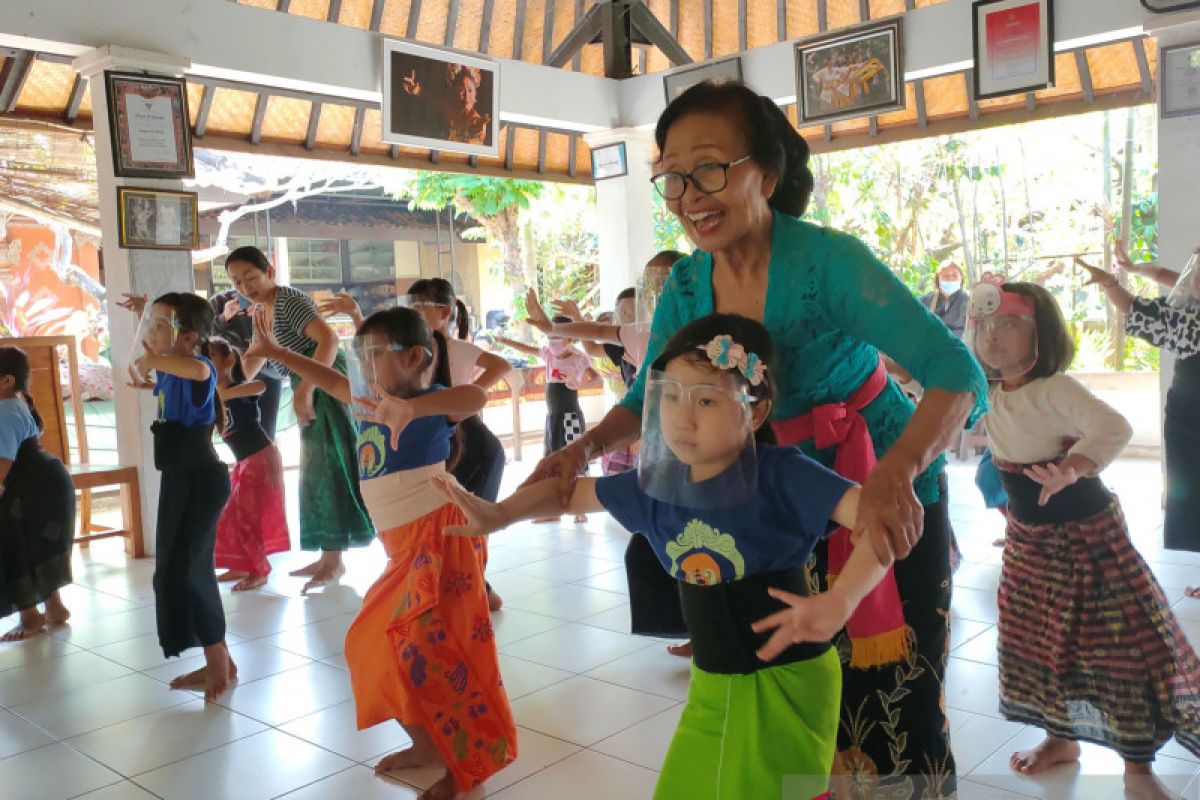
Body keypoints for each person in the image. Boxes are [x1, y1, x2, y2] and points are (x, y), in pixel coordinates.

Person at [525, 81, 987, 798]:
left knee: (892, 691)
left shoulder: (828, 263)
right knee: (789, 692)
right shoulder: (685, 283)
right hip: (765, 509)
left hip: (878, 488)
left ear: (765, 174)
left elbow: (954, 371)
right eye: (671, 177)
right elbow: (650, 392)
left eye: (709, 167)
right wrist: (578, 452)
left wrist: (899, 469)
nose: (687, 194)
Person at [437, 314, 893, 799]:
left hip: (784, 682)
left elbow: (879, 522)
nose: (683, 416)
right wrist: (499, 515)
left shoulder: (783, 476)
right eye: (671, 396)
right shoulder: (659, 487)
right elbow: (568, 495)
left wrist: (841, 600)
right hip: (714, 682)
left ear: (755, 412)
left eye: (706, 399)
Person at [245, 305, 516, 800]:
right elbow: (328, 377)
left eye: (376, 354)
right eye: (361, 354)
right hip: (404, 550)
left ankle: (466, 764)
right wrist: (276, 353)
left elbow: (475, 394)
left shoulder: (434, 401)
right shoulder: (367, 399)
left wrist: (412, 410)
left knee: (440, 654)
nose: (365, 365)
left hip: (440, 541)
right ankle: (427, 743)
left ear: (416, 357)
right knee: (375, 644)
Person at [966, 278, 1200, 800]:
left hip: (1089, 540)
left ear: (1041, 334)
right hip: (1030, 544)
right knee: (1045, 644)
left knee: (1124, 647)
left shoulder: (1056, 389)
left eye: (1010, 323)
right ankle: (1060, 739)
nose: (994, 335)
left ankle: (1138, 772)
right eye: (987, 324)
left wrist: (1073, 466)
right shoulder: (992, 388)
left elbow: (1114, 426)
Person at [319, 279, 511, 612]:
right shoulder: (403, 359)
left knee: (460, 535)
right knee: (450, 539)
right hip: (438, 439)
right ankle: (468, 592)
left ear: (444, 312)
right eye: (412, 305)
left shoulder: (449, 348)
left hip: (468, 440)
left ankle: (473, 591)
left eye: (420, 305)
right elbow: (374, 357)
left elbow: (495, 373)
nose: (413, 310)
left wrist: (441, 406)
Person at [226, 245, 373, 593]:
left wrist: (306, 390)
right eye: (237, 282)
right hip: (309, 382)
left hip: (325, 383)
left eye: (251, 277)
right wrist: (226, 388)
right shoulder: (261, 309)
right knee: (316, 473)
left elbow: (329, 340)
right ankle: (328, 555)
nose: (245, 287)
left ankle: (334, 560)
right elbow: (254, 359)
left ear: (270, 270)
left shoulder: (288, 300)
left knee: (329, 469)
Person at [123, 293, 236, 702]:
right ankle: (216, 655)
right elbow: (159, 355)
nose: (151, 334)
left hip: (201, 481)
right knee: (170, 569)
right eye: (152, 324)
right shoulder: (172, 367)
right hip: (179, 480)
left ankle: (217, 659)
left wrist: (153, 360)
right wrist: (143, 315)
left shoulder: (198, 366)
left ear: (189, 335)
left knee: (191, 569)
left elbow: (196, 369)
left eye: (160, 324)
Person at [1078, 241, 1200, 598]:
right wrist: (1114, 280)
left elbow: (1163, 275)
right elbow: (1135, 307)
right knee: (1193, 494)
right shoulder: (1185, 312)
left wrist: (1130, 270)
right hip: (1185, 418)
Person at [0, 346, 74, 642]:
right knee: (37, 545)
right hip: (47, 484)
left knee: (14, 544)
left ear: (6, 380)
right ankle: (54, 607)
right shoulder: (15, 403)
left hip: (34, 489)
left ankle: (30, 617)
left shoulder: (4, 411)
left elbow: (2, 466)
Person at [209, 338, 290, 592]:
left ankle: (259, 570)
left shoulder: (239, 388)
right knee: (232, 516)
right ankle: (244, 564)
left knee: (248, 518)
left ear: (228, 361)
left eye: (211, 356)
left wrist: (224, 393)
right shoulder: (213, 397)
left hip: (261, 458)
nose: (206, 363)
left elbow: (260, 385)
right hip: (245, 462)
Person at [497, 317, 596, 524]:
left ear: (570, 337)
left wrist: (577, 383)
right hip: (553, 418)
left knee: (575, 460)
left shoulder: (578, 358)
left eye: (557, 337)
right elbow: (526, 349)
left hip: (570, 417)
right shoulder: (549, 355)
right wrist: (505, 342)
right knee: (551, 460)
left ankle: (581, 507)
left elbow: (595, 378)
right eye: (550, 337)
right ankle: (552, 509)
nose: (553, 342)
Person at [210, 287, 284, 439]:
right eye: (237, 279)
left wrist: (265, 315)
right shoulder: (219, 302)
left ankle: (265, 456)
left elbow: (287, 335)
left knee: (267, 430)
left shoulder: (274, 300)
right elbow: (207, 337)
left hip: (271, 371)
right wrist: (223, 318)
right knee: (237, 428)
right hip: (237, 371)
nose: (245, 284)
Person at [920, 262, 969, 338]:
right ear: (938, 279)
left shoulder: (970, 301)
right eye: (946, 275)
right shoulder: (925, 301)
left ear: (961, 278)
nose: (950, 278)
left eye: (954, 275)